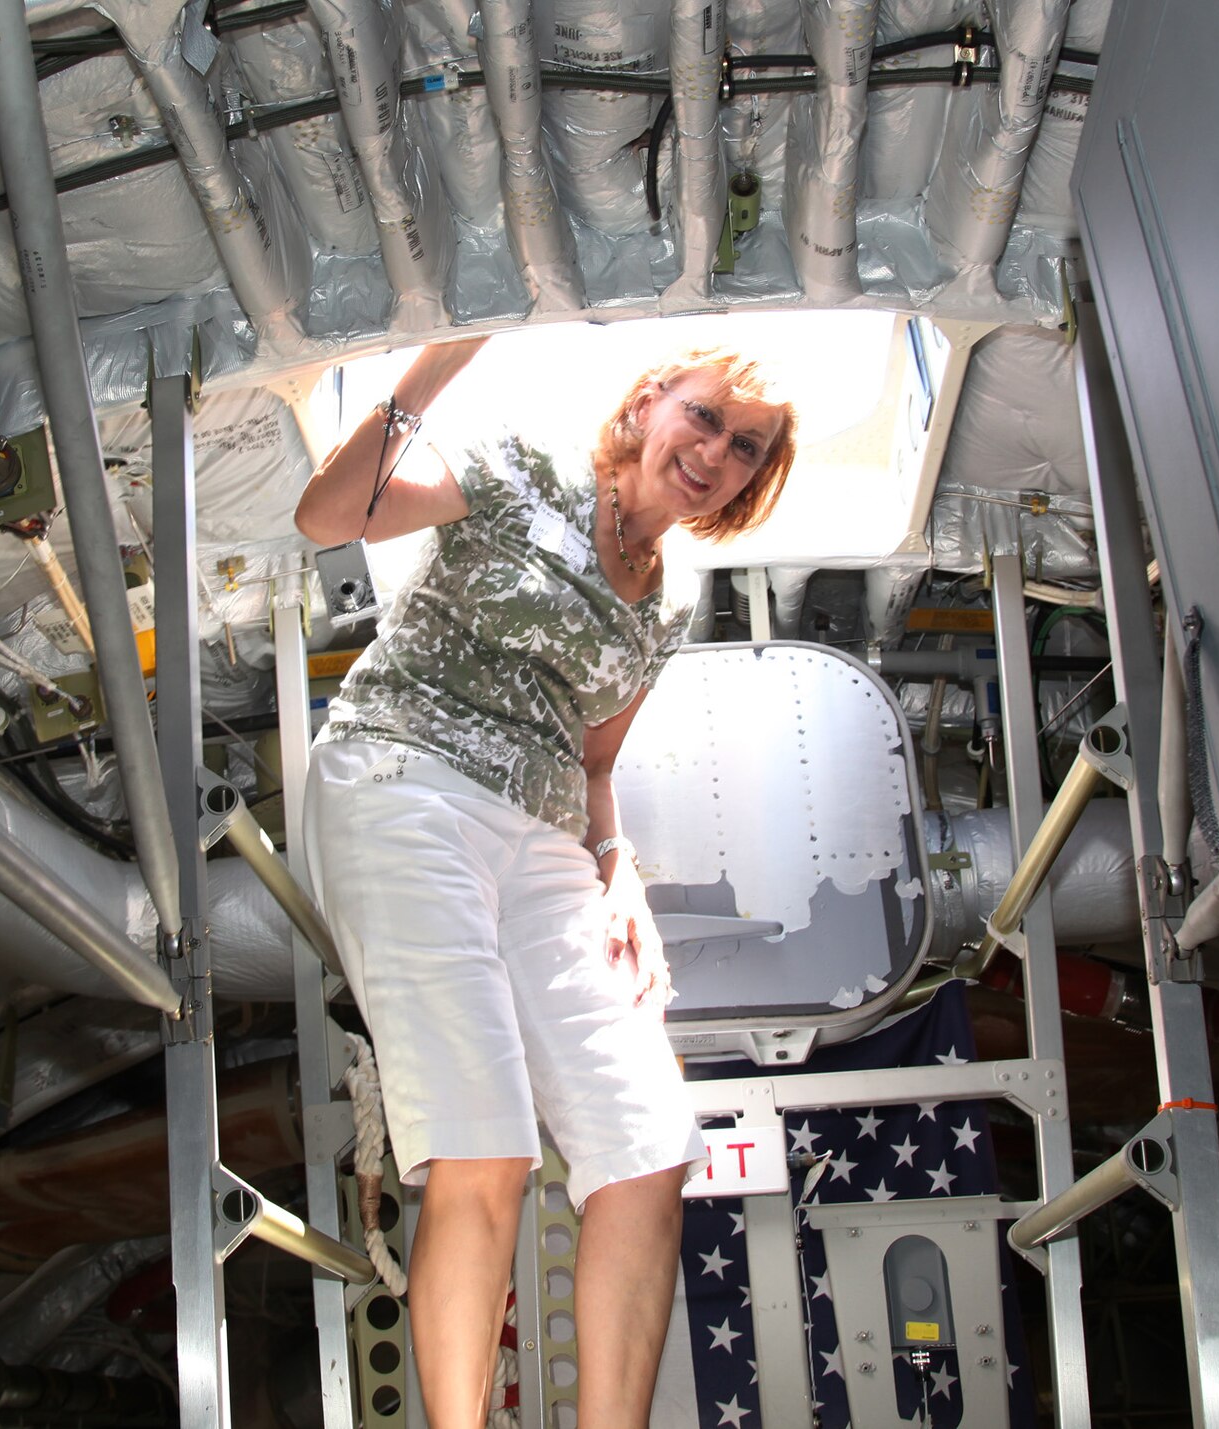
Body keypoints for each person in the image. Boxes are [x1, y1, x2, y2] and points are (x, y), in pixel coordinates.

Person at [294, 336, 800, 1429]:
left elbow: (596, 760)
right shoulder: (523, 462)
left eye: (744, 445)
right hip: (404, 778)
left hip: (542, 837)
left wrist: (619, 873)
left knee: (644, 1143)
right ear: (648, 403)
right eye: (704, 417)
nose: (715, 452)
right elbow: (326, 518)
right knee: (486, 1150)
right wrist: (438, 360)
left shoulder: (668, 597)